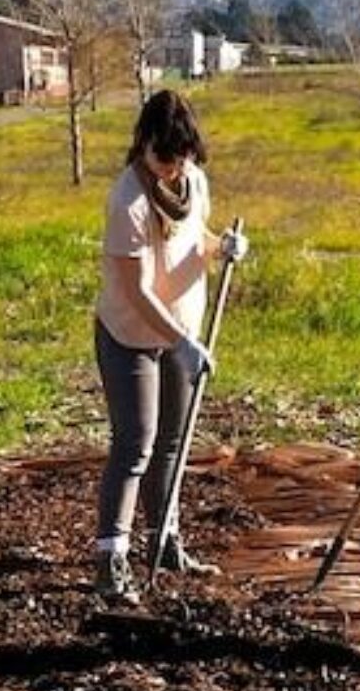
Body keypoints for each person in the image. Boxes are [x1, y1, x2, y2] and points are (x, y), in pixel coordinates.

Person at [93, 90, 248, 602]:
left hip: (182, 331)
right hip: (131, 336)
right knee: (136, 442)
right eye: (165, 157)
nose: (173, 168)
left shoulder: (192, 181)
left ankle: (164, 541)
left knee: (173, 446)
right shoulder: (128, 201)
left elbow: (193, 235)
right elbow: (136, 290)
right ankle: (111, 558)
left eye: (182, 158)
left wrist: (221, 244)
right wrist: (179, 342)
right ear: (144, 144)